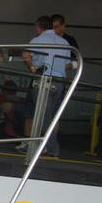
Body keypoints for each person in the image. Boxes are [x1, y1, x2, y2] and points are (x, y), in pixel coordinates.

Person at [18, 14, 71, 157]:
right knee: (50, 116)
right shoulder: (64, 42)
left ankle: (51, 148)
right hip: (60, 82)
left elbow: (26, 55)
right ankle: (42, 146)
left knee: (42, 117)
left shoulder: (37, 40)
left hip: (44, 80)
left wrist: (32, 67)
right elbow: (68, 64)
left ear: (38, 27)